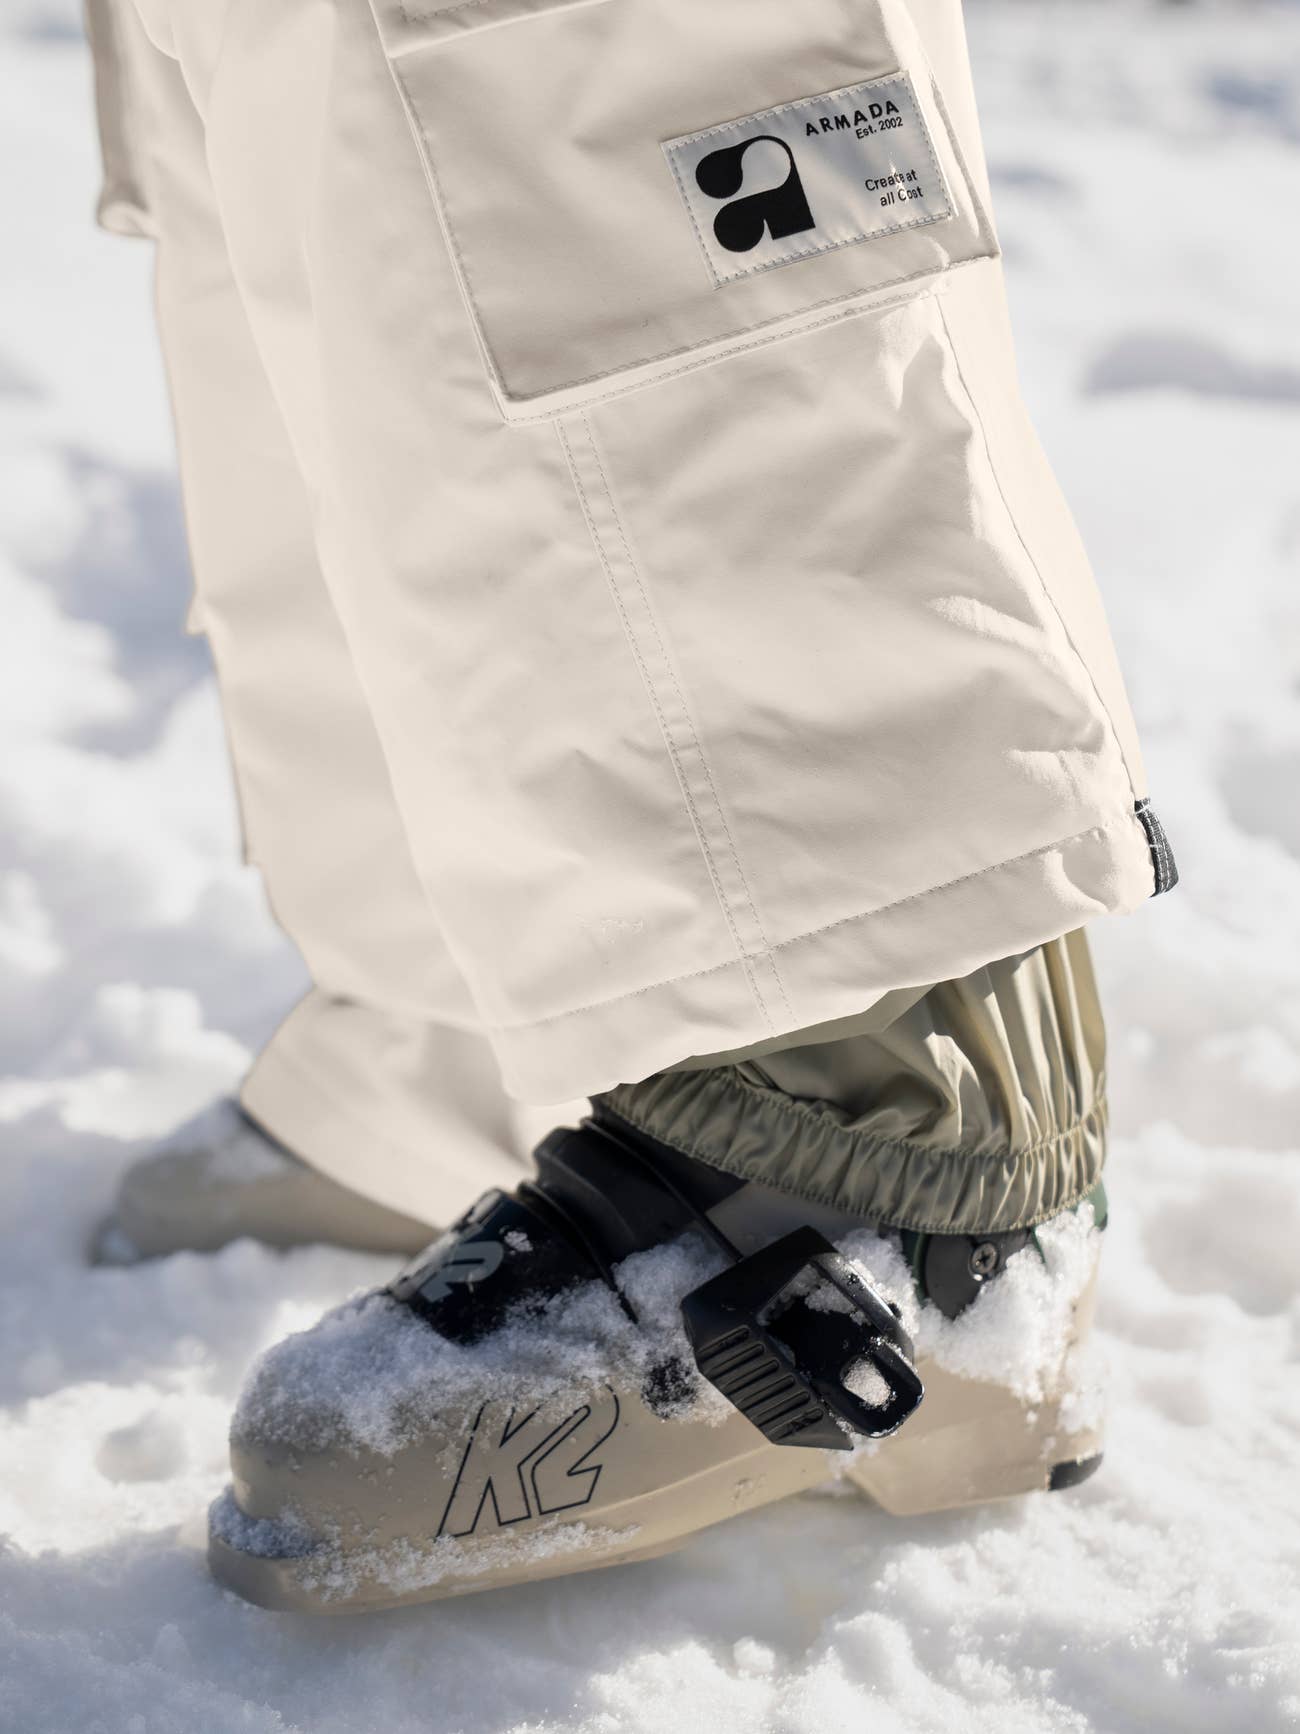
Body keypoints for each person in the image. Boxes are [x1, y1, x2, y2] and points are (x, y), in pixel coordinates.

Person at [83, 0, 1175, 1611]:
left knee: (583, 66)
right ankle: (462, 1024)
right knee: (306, 130)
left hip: (850, 1155)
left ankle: (876, 1145)